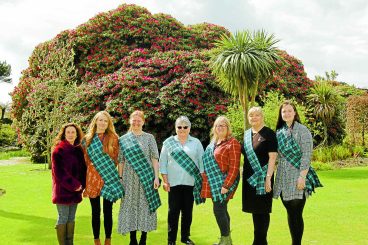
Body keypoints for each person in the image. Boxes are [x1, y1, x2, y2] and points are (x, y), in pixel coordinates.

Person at [273, 101, 322, 245]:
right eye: (284, 112)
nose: (286, 114)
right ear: (281, 115)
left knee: (296, 212)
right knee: (290, 212)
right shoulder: (279, 132)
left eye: (289, 111)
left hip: (298, 174)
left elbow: (307, 155)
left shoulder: (303, 130)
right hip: (282, 176)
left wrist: (302, 177)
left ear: (295, 113)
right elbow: (275, 155)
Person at [160, 116, 205, 245]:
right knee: (173, 212)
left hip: (191, 183)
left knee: (187, 212)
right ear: (175, 128)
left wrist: (202, 180)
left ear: (189, 128)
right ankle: (171, 240)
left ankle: (185, 237)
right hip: (173, 183)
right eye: (179, 127)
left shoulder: (196, 142)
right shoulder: (168, 142)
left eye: (185, 127)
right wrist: (165, 181)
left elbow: (201, 162)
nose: (182, 129)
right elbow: (163, 163)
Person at [118, 110, 161, 245]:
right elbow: (121, 161)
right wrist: (120, 178)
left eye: (139, 120)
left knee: (145, 205)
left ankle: (143, 237)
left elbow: (154, 158)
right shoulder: (123, 139)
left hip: (146, 177)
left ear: (143, 122)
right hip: (128, 178)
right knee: (129, 206)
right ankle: (132, 239)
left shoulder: (149, 138)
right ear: (130, 121)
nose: (136, 123)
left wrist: (156, 177)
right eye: (134, 120)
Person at [83, 111, 123, 245]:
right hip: (92, 178)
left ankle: (108, 239)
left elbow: (117, 157)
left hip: (108, 177)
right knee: (95, 212)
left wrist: (106, 169)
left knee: (108, 211)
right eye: (100, 120)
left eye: (105, 121)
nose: (102, 123)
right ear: (95, 121)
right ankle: (96, 239)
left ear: (108, 123)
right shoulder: (87, 139)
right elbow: (85, 160)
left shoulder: (114, 138)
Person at [201, 116, 241, 245]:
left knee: (218, 209)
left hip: (226, 181)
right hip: (213, 182)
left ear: (228, 128)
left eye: (223, 125)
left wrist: (226, 185)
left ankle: (225, 239)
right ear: (215, 128)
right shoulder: (213, 144)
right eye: (218, 125)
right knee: (222, 209)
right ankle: (227, 240)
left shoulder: (232, 142)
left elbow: (235, 167)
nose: (220, 128)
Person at [242, 107, 278, 245]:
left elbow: (273, 157)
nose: (254, 117)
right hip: (249, 180)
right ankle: (260, 241)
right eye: (251, 115)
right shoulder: (246, 134)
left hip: (263, 177)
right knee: (255, 211)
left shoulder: (269, 134)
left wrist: (268, 178)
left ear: (262, 116)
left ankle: (259, 241)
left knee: (262, 211)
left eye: (257, 115)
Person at [51, 122, 86, 245]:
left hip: (76, 192)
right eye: (68, 132)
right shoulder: (58, 151)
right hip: (63, 192)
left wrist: (82, 185)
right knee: (63, 218)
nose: (71, 134)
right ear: (64, 134)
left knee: (71, 218)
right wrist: (75, 185)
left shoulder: (78, 150)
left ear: (77, 134)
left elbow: (83, 170)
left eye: (73, 132)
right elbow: (59, 173)